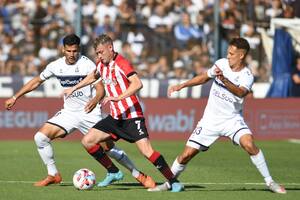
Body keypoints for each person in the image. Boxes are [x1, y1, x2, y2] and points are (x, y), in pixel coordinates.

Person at [4, 34, 155, 188]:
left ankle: (138, 174)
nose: (72, 54)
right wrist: (16, 96)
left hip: (89, 113)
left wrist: (95, 100)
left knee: (108, 148)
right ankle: (53, 174)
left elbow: (100, 90)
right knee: (40, 138)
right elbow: (37, 81)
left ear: (79, 50)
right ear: (63, 50)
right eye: (69, 51)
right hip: (69, 113)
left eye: (75, 51)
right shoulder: (55, 66)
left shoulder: (88, 65)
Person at [148, 37, 286, 194]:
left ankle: (270, 182)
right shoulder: (221, 64)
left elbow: (241, 93)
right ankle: (169, 183)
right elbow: (204, 77)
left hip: (232, 119)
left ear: (241, 55)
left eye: (232, 53)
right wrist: (182, 85)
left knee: (249, 144)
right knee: (186, 155)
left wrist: (224, 80)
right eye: (228, 52)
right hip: (210, 121)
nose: (228, 56)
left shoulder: (247, 75)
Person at [63, 34, 184, 192]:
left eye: (101, 52)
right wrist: (74, 88)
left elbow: (137, 83)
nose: (99, 56)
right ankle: (113, 171)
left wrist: (118, 97)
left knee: (147, 152)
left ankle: (173, 182)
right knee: (88, 141)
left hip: (132, 117)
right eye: (97, 53)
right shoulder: (102, 65)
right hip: (115, 118)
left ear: (110, 48)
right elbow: (93, 76)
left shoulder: (121, 63)